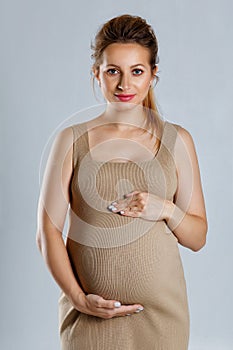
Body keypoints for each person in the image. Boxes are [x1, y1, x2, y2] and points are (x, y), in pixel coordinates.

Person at [36, 14, 208, 350]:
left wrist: (164, 208)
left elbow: (198, 237)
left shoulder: (177, 141)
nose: (124, 84)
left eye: (137, 71)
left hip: (161, 319)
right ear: (96, 74)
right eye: (113, 70)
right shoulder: (72, 140)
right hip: (89, 317)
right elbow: (48, 233)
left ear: (153, 75)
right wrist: (78, 298)